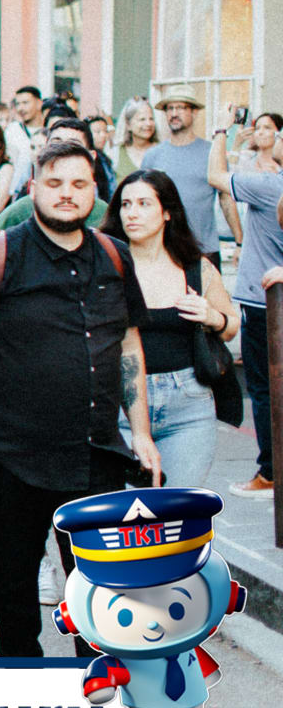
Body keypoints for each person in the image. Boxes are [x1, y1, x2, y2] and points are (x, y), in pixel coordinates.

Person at [0, 141, 161, 658]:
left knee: (103, 599)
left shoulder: (114, 256)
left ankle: (99, 704)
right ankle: (25, 700)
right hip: (9, 460)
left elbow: (129, 344)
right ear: (33, 187)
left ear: (95, 193)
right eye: (55, 183)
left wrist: (142, 433)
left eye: (79, 184)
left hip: (95, 457)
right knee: (14, 594)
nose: (67, 194)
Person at [105, 170, 237, 490]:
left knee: (177, 515)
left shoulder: (195, 266)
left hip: (187, 405)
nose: (132, 213)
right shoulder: (106, 264)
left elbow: (231, 326)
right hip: (120, 404)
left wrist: (212, 316)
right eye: (125, 204)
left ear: (166, 213)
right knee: (129, 519)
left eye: (144, 204)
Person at [208, 114, 283, 498]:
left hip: (264, 301)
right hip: (265, 295)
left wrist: (222, 129)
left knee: (266, 389)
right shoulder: (267, 180)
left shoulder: (271, 185)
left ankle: (270, 473)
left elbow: (217, 177)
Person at [140, 88, 237, 269]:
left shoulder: (212, 152)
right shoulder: (152, 156)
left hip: (204, 250)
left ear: (194, 112)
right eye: (169, 109)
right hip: (163, 250)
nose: (174, 114)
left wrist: (239, 242)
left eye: (181, 108)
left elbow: (226, 199)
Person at [0, 116, 110, 231]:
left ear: (91, 156)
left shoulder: (103, 214)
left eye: (73, 146)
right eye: (56, 144)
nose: (63, 152)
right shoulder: (21, 212)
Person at [5, 85, 49, 187]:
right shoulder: (12, 131)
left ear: (39, 103)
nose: (20, 108)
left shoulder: (50, 130)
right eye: (18, 104)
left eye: (25, 103)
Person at [113, 97, 157, 180]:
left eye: (151, 119)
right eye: (142, 119)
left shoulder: (161, 151)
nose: (148, 124)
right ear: (128, 124)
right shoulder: (116, 154)